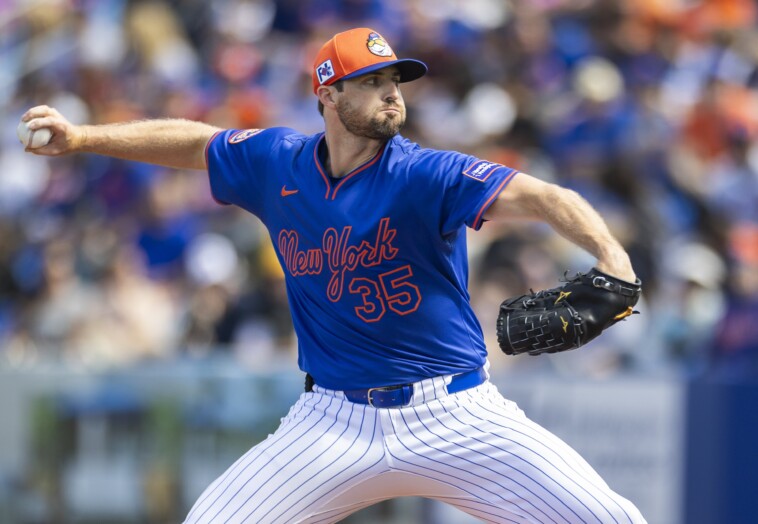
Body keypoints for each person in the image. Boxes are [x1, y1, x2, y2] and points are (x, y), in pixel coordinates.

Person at [22, 27, 645, 524]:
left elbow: (543, 196)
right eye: (370, 82)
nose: (391, 93)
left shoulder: (425, 173)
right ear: (328, 94)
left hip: (458, 413)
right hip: (333, 422)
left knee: (608, 518)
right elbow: (195, 144)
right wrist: (81, 138)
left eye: (395, 79)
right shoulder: (276, 162)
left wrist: (610, 255)